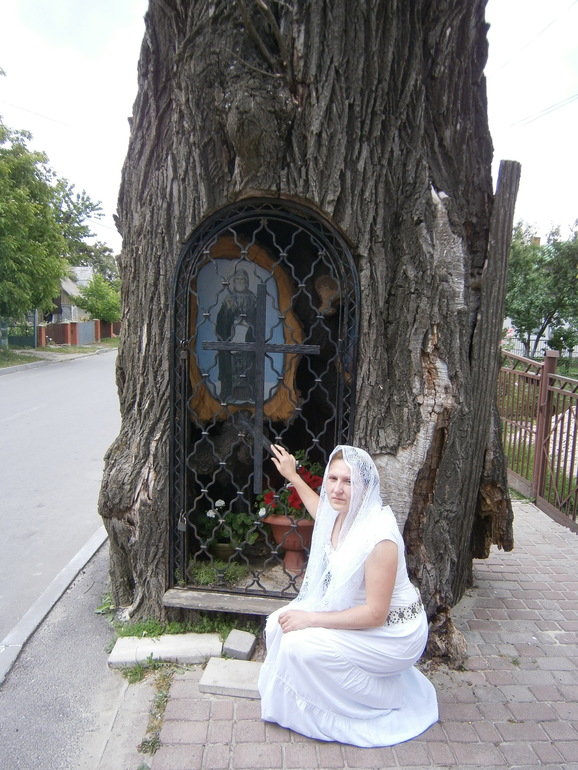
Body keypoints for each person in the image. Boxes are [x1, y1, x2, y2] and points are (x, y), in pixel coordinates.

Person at [258, 444, 439, 747]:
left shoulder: (379, 536)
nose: (337, 489)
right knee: (278, 624)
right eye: (333, 479)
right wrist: (293, 475)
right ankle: (312, 702)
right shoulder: (341, 514)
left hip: (394, 632)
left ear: (366, 486)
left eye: (349, 481)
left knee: (299, 645)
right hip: (366, 620)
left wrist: (311, 619)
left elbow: (376, 614)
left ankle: (386, 695)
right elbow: (320, 511)